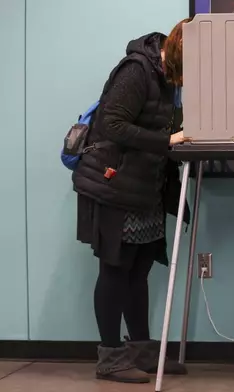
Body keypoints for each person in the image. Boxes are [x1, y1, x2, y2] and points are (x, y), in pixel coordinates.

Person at [72, 18, 193, 384]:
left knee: (138, 269)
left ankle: (140, 350)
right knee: (115, 269)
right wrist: (170, 141)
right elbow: (113, 125)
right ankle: (110, 358)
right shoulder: (137, 70)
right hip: (114, 185)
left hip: (143, 187)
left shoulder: (165, 76)